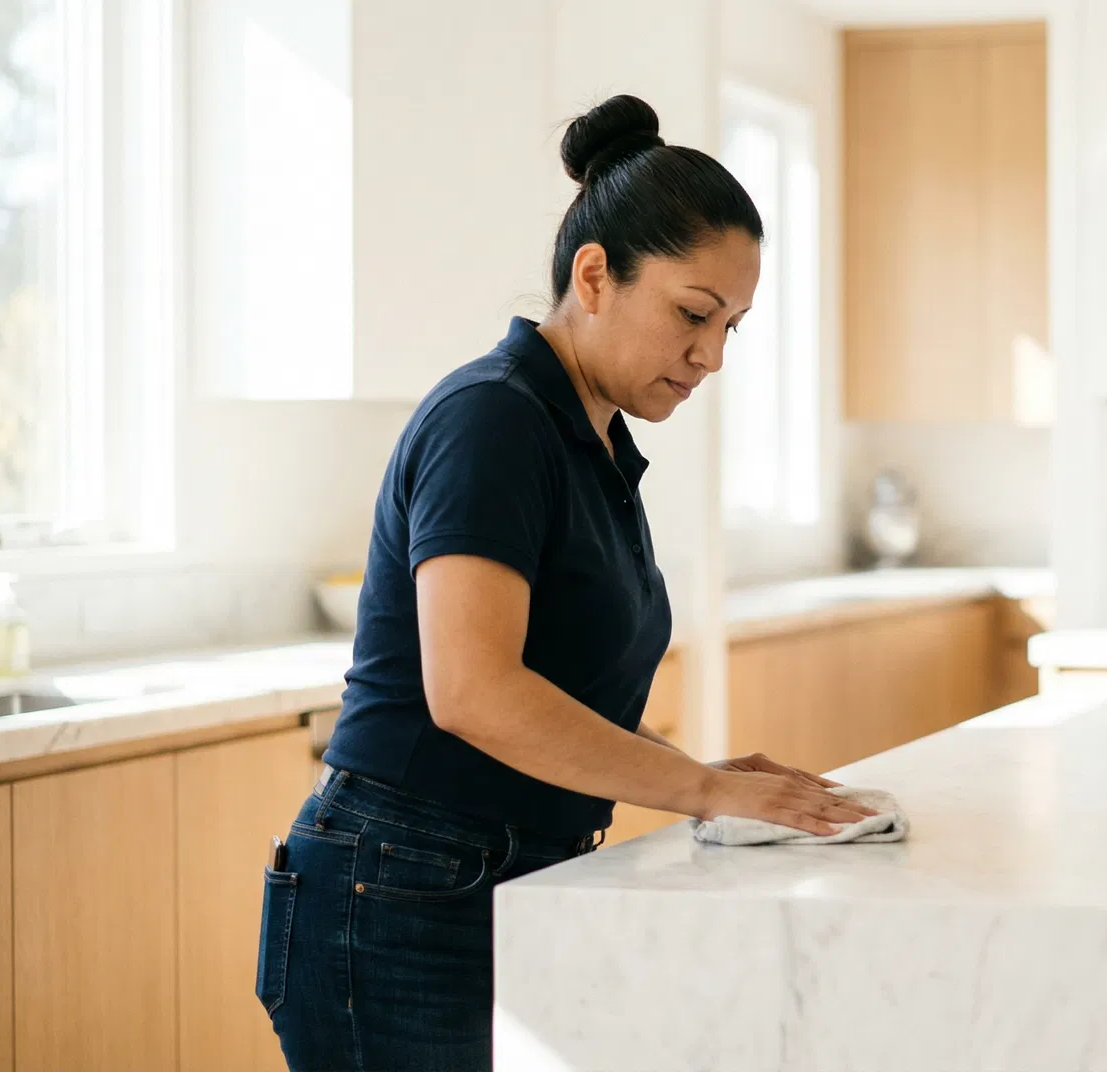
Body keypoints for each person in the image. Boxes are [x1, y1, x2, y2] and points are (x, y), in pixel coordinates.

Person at [258, 94, 876, 1072]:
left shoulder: (589, 443)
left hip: (488, 879)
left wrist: (703, 771)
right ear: (595, 275)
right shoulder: (493, 421)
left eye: (733, 328)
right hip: (396, 892)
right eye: (692, 314)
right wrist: (701, 787)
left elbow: (561, 695)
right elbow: (475, 693)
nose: (711, 356)